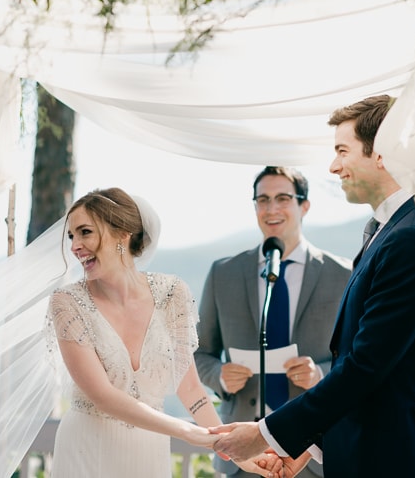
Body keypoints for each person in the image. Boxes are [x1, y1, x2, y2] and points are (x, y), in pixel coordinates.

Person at [210, 95, 415, 478]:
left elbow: (365, 366)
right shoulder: (393, 230)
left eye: (343, 151)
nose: (333, 166)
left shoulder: (413, 240)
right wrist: (309, 444)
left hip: (396, 458)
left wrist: (265, 434)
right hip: (370, 450)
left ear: (382, 153)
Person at [46, 187, 280, 477]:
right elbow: (103, 396)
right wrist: (186, 431)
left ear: (122, 234)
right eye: (72, 236)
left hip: (147, 452)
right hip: (86, 449)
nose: (75, 246)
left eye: (85, 232)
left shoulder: (171, 294)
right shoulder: (68, 303)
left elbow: (191, 388)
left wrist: (232, 450)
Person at [195, 166, 352, 478]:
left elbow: (358, 358)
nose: (271, 209)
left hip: (314, 451)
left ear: (303, 206)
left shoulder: (343, 274)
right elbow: (199, 352)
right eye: (262, 200)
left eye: (283, 198)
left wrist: (320, 374)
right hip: (242, 455)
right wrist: (220, 376)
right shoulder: (223, 273)